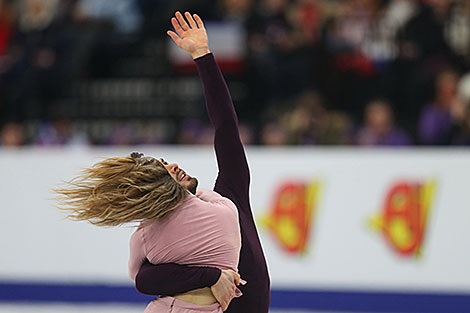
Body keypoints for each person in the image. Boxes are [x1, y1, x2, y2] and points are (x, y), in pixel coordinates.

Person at [133, 11, 271, 313]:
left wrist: (203, 57)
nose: (173, 166)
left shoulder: (229, 197)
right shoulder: (166, 227)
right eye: (163, 170)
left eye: (166, 161)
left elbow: (226, 128)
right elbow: (144, 280)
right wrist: (211, 275)